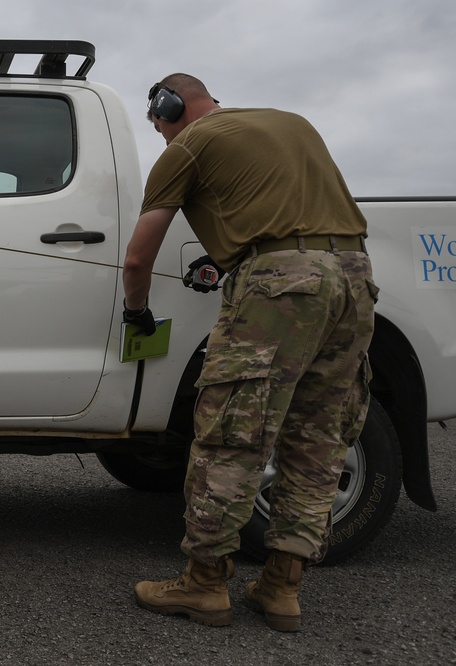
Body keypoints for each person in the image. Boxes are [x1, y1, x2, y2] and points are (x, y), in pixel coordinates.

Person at [123, 74, 376, 632]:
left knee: (233, 435)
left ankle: (204, 585)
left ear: (168, 106)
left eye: (159, 127)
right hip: (354, 279)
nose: (162, 137)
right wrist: (231, 256)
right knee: (318, 438)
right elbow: (284, 214)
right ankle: (282, 589)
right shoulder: (293, 123)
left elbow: (138, 258)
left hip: (280, 284)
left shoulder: (188, 145)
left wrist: (136, 311)